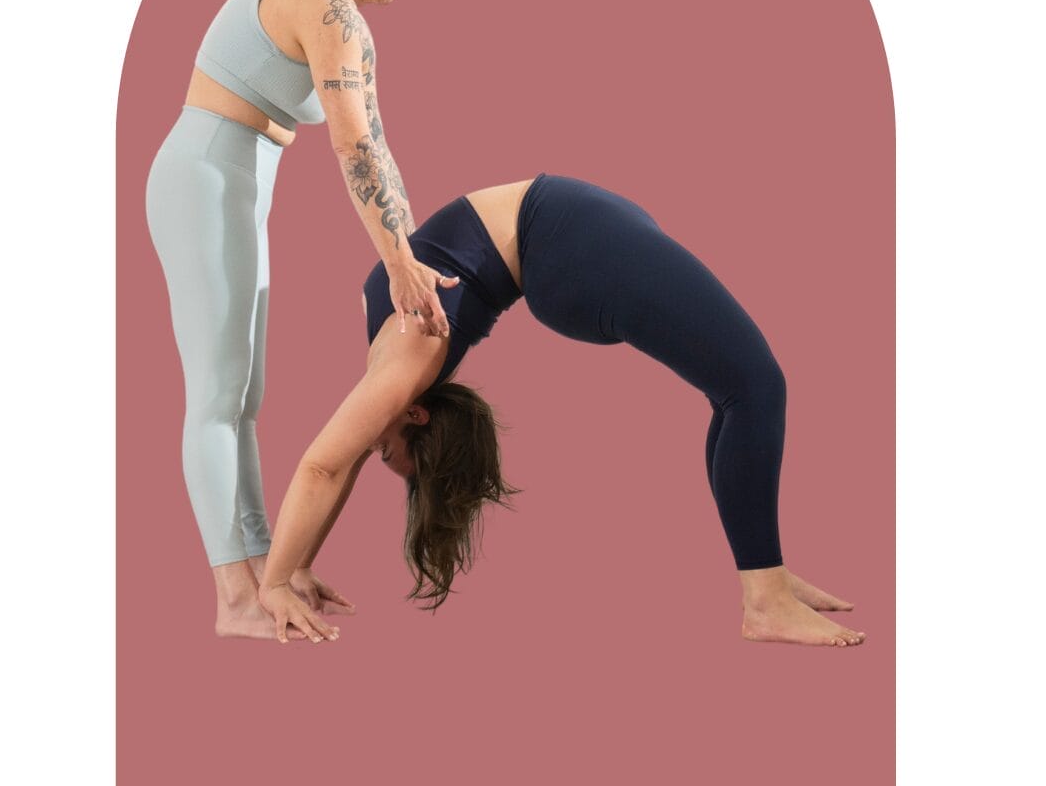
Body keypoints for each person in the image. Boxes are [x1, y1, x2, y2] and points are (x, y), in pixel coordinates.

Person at [255, 174, 867, 648]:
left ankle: (769, 578)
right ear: (417, 416)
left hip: (567, 236)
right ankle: (763, 597)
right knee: (755, 388)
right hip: (568, 245)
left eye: (382, 452)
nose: (368, 441)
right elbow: (324, 468)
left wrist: (298, 567)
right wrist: (277, 581)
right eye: (380, 446)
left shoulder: (397, 370)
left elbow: (338, 465)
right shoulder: (412, 358)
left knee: (735, 390)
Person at [146, 0, 458, 639]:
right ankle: (234, 601)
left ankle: (265, 576)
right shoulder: (326, 4)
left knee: (243, 398)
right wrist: (397, 260)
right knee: (219, 398)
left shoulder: (335, 9)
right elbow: (355, 146)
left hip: (234, 175)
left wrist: (408, 254)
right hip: (209, 174)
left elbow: (375, 142)